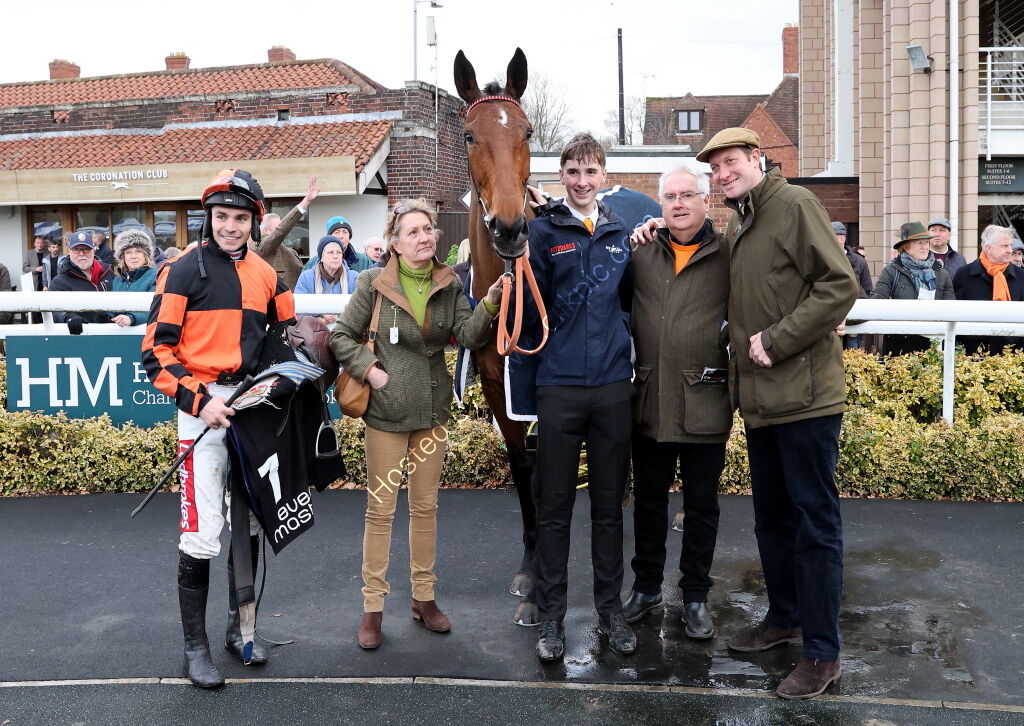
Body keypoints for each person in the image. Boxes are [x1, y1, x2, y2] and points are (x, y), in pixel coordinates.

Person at [699, 128, 858, 700]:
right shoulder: (741, 222)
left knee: (815, 523)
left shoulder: (794, 205)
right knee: (772, 517)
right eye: (715, 167)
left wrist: (780, 339)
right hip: (761, 401)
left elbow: (839, 286)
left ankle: (822, 651)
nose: (722, 173)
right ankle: (785, 616)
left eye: (732, 162)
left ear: (757, 160)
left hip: (807, 397)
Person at [142, 169, 296, 688]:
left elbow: (283, 343)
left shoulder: (269, 275)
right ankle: (195, 648)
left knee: (253, 521)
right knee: (203, 531)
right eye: (223, 217)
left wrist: (281, 381)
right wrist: (200, 400)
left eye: (241, 217)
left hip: (252, 406)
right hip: (201, 405)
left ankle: (242, 630)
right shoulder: (181, 270)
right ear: (209, 217)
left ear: (255, 220)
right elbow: (155, 353)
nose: (231, 226)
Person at [330, 198, 502, 650]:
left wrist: (490, 302)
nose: (425, 236)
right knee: (381, 511)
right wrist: (370, 369)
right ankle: (372, 608)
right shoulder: (372, 282)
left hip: (431, 414)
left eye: (428, 229)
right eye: (414, 231)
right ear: (395, 242)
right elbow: (340, 336)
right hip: (385, 416)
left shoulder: (449, 282)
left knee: (425, 508)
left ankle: (424, 599)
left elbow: (466, 335)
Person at [520, 133, 636, 662]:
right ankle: (551, 619)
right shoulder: (541, 233)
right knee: (554, 509)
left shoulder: (620, 233)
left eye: (591, 172)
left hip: (612, 386)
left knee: (609, 507)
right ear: (562, 176)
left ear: (603, 175)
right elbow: (527, 309)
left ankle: (611, 612)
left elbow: (633, 304)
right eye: (574, 172)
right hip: (560, 386)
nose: (583, 182)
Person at [623, 161, 731, 640]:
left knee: (702, 507)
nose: (680, 204)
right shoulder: (640, 252)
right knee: (648, 502)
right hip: (649, 400)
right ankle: (646, 589)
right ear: (659, 205)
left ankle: (694, 597)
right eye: (671, 198)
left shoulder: (729, 253)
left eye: (688, 195)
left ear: (706, 201)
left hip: (706, 400)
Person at [870, 222, 955, 356]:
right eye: (919, 243)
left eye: (926, 242)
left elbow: (951, 308)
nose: (924, 247)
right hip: (899, 345)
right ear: (906, 247)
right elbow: (877, 301)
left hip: (933, 345)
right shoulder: (891, 271)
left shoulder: (940, 273)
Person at [952, 224, 1024, 355]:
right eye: (1004, 246)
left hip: (1012, 356)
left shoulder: (1021, 276)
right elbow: (955, 314)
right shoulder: (964, 275)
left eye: (1010, 245)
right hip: (973, 356)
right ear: (988, 248)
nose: (1010, 250)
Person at [252, 175, 318, 290]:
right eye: (278, 226)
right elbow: (281, 231)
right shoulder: (262, 247)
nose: (284, 229)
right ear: (265, 230)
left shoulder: (288, 250)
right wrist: (305, 202)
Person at [48, 230, 114, 334]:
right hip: (81, 338)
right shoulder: (59, 281)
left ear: (93, 251)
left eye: (86, 249)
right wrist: (67, 316)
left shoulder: (107, 272)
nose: (81, 254)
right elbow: (52, 309)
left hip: (111, 335)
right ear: (69, 252)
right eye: (76, 250)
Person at [294, 235, 359, 325]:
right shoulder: (306, 276)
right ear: (321, 257)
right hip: (315, 333)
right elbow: (299, 309)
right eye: (331, 252)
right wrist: (320, 318)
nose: (335, 256)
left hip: (346, 332)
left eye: (339, 252)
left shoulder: (354, 277)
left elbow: (360, 308)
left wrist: (337, 318)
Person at [831, 222, 871, 350]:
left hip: (853, 320)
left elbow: (867, 289)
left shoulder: (859, 261)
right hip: (829, 320)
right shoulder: (822, 258)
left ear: (842, 238)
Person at [109, 229, 159, 327]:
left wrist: (132, 318)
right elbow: (111, 308)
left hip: (144, 335)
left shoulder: (156, 276)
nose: (133, 256)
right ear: (122, 256)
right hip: (119, 334)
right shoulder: (118, 280)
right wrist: (105, 316)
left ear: (146, 254)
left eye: (138, 252)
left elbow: (157, 308)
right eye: (128, 252)